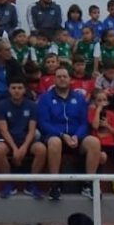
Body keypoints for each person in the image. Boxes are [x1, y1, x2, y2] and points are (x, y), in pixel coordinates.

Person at [37, 67, 102, 201]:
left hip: (76, 137)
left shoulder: (79, 98)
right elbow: (43, 123)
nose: (62, 79)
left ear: (70, 79)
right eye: (59, 76)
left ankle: (89, 184)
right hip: (56, 136)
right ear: (54, 79)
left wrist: (76, 136)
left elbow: (84, 123)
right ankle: (55, 184)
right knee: (54, 142)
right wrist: (62, 135)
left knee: (94, 142)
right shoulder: (45, 98)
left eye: (64, 76)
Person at [0, 77, 46, 199]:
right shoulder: (2, 105)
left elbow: (32, 130)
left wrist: (23, 148)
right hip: (9, 140)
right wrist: (15, 149)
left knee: (41, 149)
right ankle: (8, 183)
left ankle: (31, 183)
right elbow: (3, 130)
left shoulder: (32, 105)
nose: (16, 91)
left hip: (26, 139)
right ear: (9, 90)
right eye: (13, 88)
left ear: (24, 90)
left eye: (19, 88)